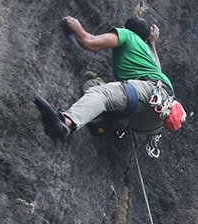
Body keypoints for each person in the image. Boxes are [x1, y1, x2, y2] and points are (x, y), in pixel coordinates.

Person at [35, 15, 180, 138]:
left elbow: (89, 42)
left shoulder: (127, 35)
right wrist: (152, 42)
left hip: (148, 94)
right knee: (93, 85)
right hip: (153, 121)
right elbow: (158, 72)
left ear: (125, 27)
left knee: (102, 93)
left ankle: (66, 122)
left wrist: (77, 27)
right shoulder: (147, 50)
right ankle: (113, 120)